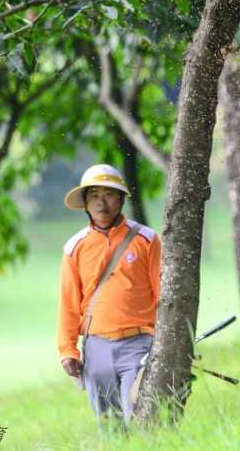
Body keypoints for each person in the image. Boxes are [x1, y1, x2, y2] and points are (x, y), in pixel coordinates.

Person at [57, 164, 161, 424]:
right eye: (94, 195)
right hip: (96, 347)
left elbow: (163, 296)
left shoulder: (147, 240)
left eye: (109, 194)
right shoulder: (74, 247)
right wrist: (68, 351)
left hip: (140, 344)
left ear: (122, 199)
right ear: (85, 203)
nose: (101, 203)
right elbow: (69, 305)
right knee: (109, 425)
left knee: (139, 415)